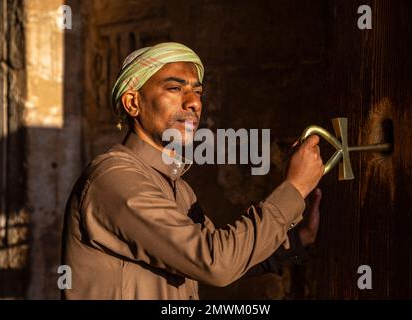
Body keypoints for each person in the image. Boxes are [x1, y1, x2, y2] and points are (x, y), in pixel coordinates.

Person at [60, 42, 324, 299]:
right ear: (132, 103)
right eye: (175, 88)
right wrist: (294, 188)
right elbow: (215, 262)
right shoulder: (114, 178)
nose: (194, 103)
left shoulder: (178, 188)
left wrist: (297, 241)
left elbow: (219, 255)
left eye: (198, 92)